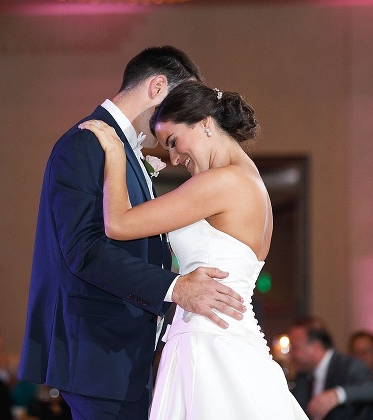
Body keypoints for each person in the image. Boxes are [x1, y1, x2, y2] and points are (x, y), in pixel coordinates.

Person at [18, 46, 248, 420]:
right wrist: (176, 288)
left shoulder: (124, 150)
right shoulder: (87, 142)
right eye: (181, 100)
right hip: (97, 351)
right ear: (157, 87)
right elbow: (84, 249)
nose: (185, 114)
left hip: (123, 354)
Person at [79, 80, 307, 419]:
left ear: (204, 123)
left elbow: (119, 224)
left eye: (173, 142)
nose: (172, 158)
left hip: (209, 341)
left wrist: (115, 154)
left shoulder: (222, 181)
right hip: (228, 335)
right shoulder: (249, 180)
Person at [288, 317, 373, 420]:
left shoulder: (348, 366)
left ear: (316, 347)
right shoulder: (303, 375)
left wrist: (337, 395)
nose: (290, 353)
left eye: (295, 348)